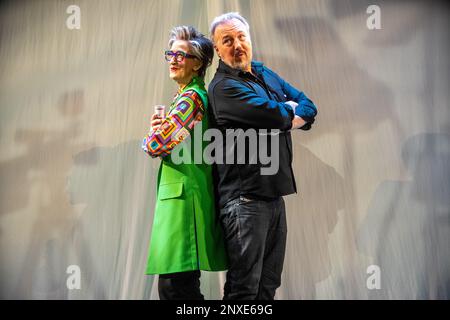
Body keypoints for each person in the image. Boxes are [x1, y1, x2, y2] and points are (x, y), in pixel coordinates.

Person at [207, 12, 318, 300]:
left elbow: (307, 104)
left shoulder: (264, 73)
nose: (237, 45)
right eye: (227, 40)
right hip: (245, 202)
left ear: (250, 39)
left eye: (241, 37)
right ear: (217, 49)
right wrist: (287, 113)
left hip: (273, 196)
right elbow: (275, 114)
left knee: (268, 286)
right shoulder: (223, 89)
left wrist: (289, 114)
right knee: (244, 289)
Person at [142, 25, 228, 300]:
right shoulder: (186, 97)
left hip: (184, 201)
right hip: (181, 199)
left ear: (198, 64)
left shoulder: (191, 98)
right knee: (178, 286)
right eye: (171, 54)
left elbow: (157, 145)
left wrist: (152, 136)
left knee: (176, 288)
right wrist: (162, 128)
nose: (174, 60)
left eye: (182, 55)